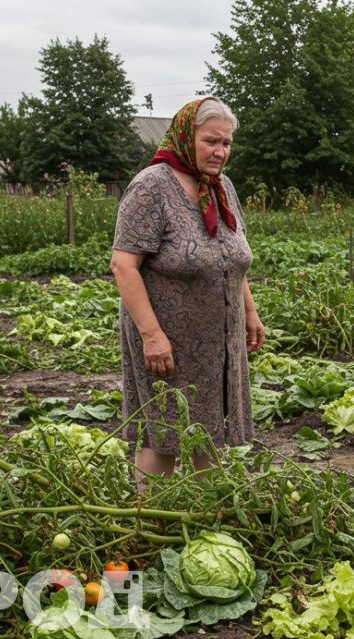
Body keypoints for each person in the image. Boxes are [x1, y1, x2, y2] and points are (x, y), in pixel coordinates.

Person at [109, 96, 264, 480]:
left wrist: (249, 311)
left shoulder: (221, 187)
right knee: (163, 431)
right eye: (211, 141)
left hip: (217, 340)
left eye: (226, 143)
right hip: (168, 339)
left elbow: (230, 256)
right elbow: (123, 266)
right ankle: (151, 513)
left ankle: (206, 507)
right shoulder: (151, 186)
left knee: (208, 431)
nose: (220, 151)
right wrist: (152, 336)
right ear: (185, 136)